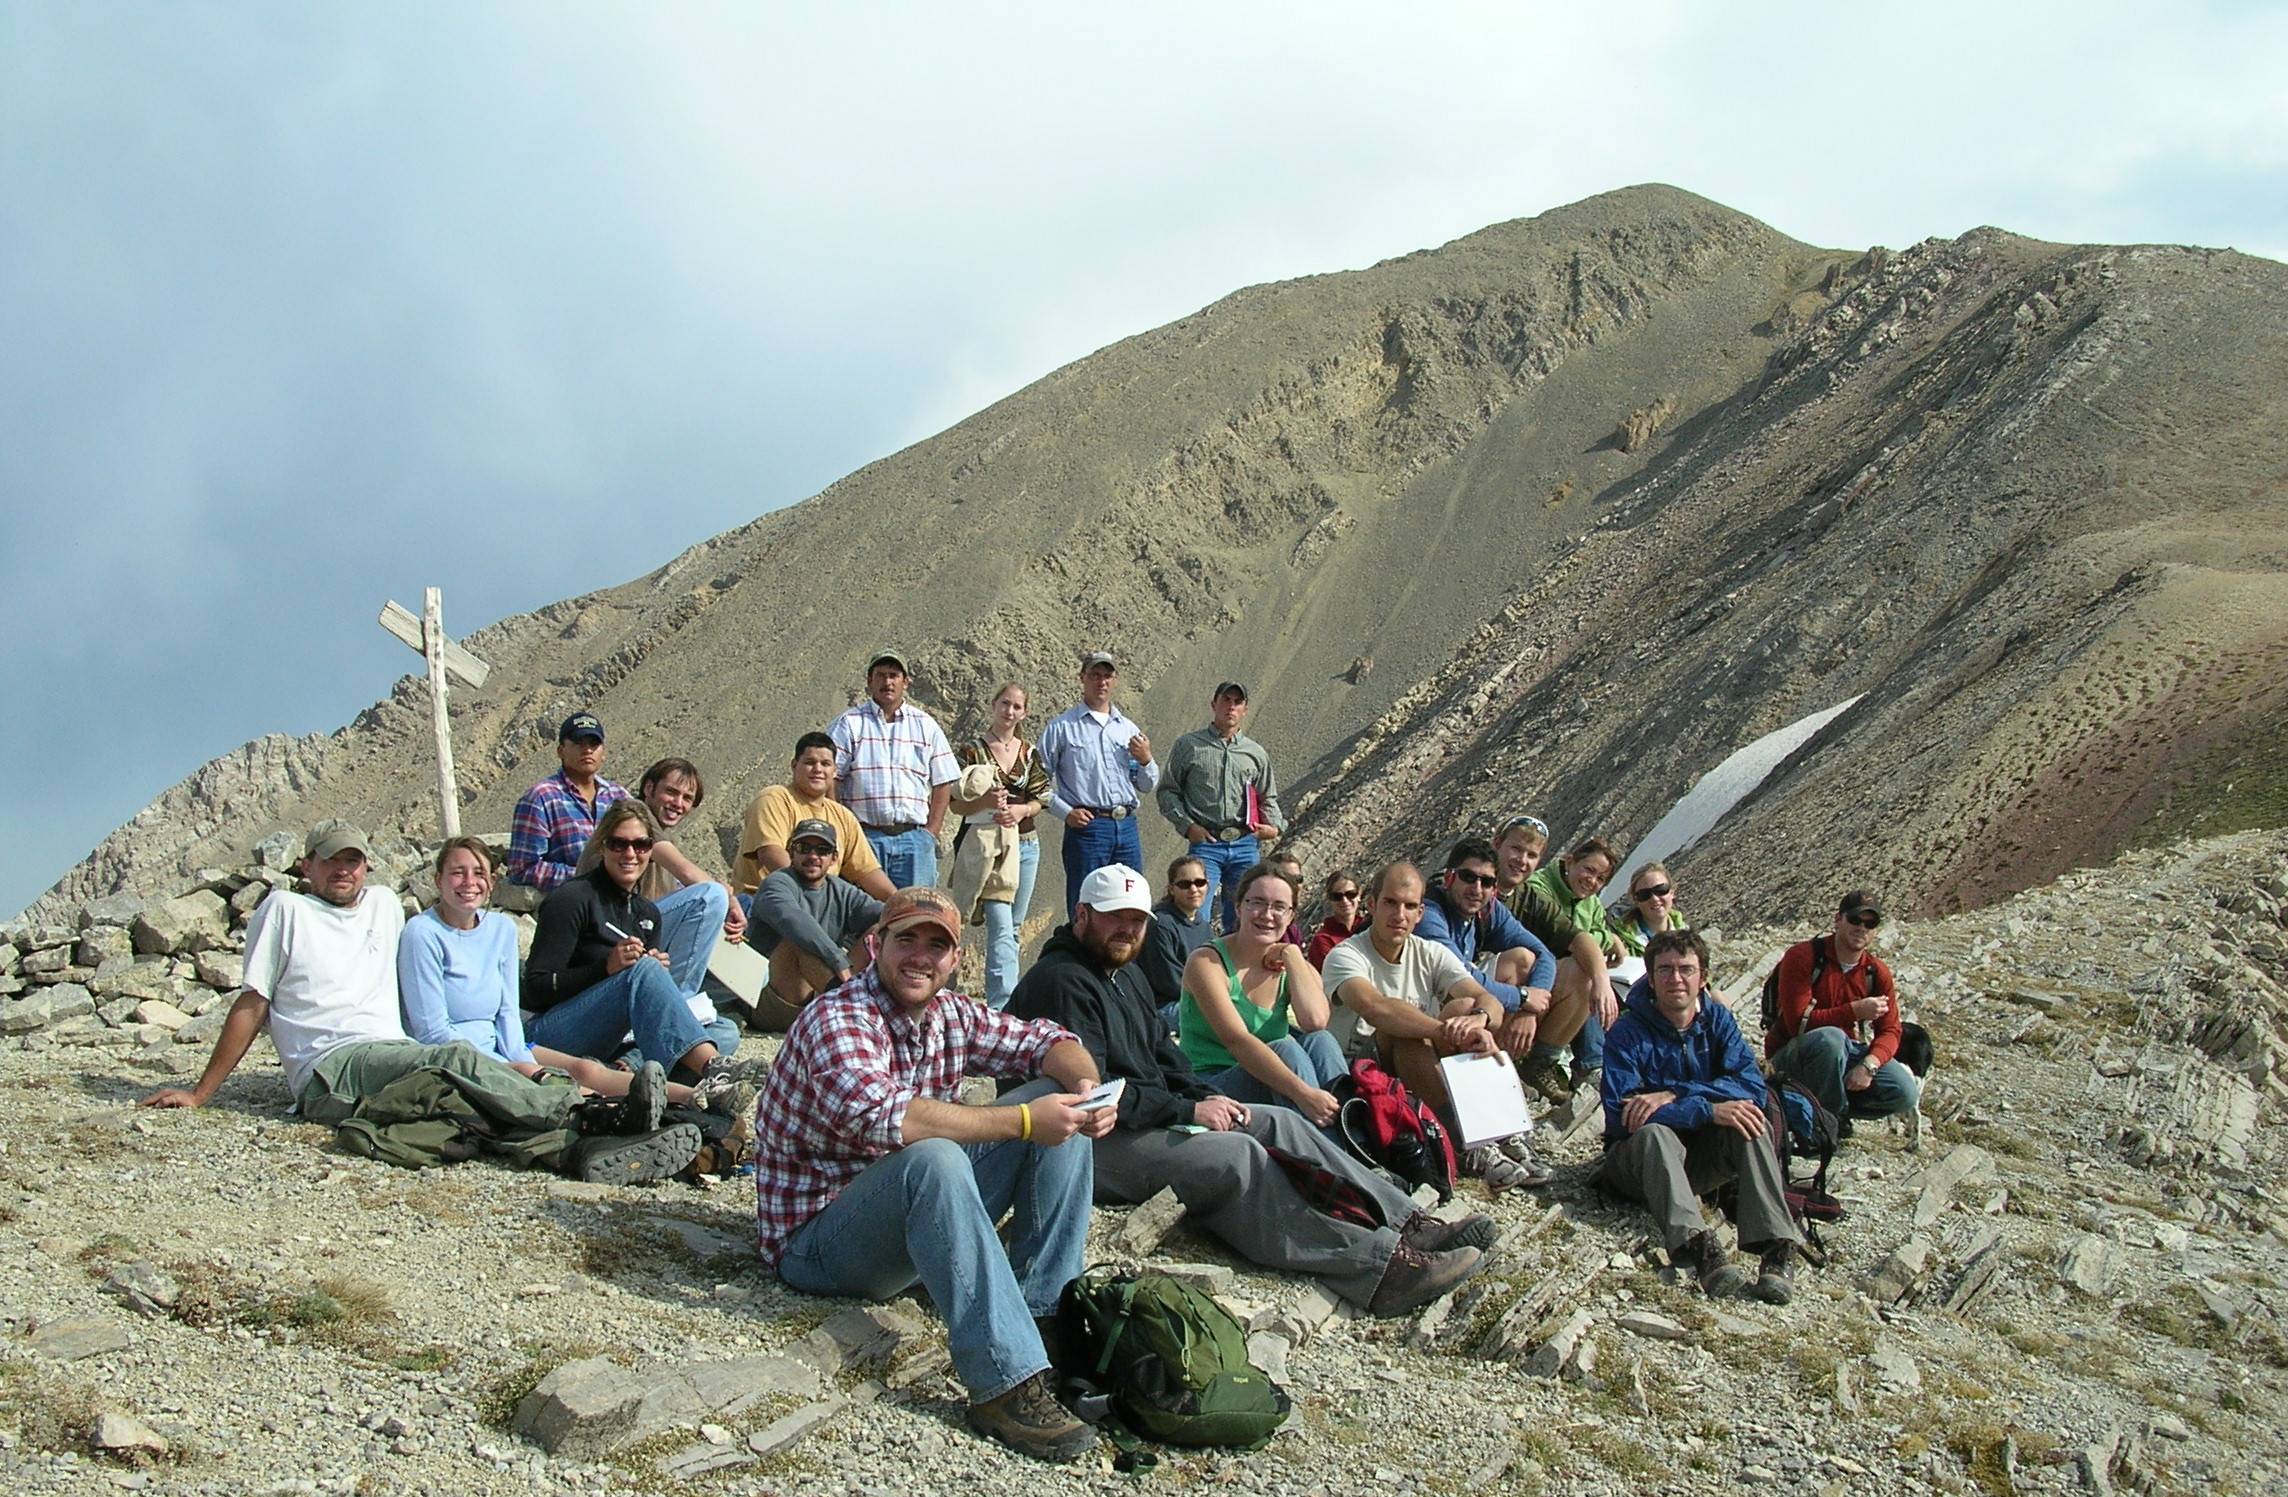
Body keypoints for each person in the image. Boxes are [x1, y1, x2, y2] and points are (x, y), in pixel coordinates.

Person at [1008, 865, 1491, 1317]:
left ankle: (1408, 1222)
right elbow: (1098, 1095)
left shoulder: (1123, 971)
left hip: (1140, 1113)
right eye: (1116, 917)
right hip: (1086, 1141)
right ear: (1082, 915)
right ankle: (1378, 1268)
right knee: (1237, 1157)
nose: (1128, 930)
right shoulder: (1064, 983)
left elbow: (1163, 1054)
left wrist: (1205, 1097)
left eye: (1137, 920)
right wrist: (1191, 1107)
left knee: (1278, 1120)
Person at [753, 887, 1114, 1464]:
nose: (919, 956)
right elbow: (892, 1118)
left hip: (898, 1215)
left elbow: (1049, 1040)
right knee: (938, 1154)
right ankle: (1002, 1383)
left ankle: (1043, 1319)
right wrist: (1023, 1121)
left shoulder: (952, 1014)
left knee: (1060, 1100)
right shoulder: (838, 1016)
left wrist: (1086, 1090)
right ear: (876, 945)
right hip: (817, 1241)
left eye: (936, 944)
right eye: (906, 939)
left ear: (956, 959)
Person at [143, 820, 698, 1184]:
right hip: (331, 1068)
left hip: (394, 1054)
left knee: (467, 1108)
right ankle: (588, 1108)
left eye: (355, 861)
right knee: (456, 1061)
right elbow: (253, 1001)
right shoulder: (286, 910)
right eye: (331, 861)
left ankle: (609, 1140)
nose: (344, 871)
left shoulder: (383, 905)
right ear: (306, 866)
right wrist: (201, 1093)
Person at [399, 837, 743, 1115]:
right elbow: (432, 1030)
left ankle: (702, 1097)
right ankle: (612, 1112)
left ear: (491, 882)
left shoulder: (499, 929)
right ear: (438, 880)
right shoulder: (423, 934)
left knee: (586, 1069)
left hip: (503, 1041)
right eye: (458, 873)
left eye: (478, 873)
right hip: (456, 1053)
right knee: (565, 1083)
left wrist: (518, 1056)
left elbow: (506, 1011)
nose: (469, 883)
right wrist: (510, 1067)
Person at [1598, 928, 1802, 1304]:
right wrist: (1706, 1108)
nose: (1676, 978)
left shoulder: (1718, 1023)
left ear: (1703, 977)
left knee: (1748, 1117)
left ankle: (1776, 1245)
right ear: (1651, 977)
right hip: (1639, 1166)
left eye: (1686, 969)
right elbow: (1624, 1114)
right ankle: (1698, 1247)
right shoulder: (1626, 1033)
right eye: (1665, 970)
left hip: (1698, 1163)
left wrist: (1677, 1095)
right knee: (1654, 1133)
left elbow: (1752, 1086)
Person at [1320, 863, 1550, 1190]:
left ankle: (1499, 1130)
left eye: (1410, 906)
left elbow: (1489, 1001)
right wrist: (1443, 1031)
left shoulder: (1429, 952)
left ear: (1420, 913)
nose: (1399, 914)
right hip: (1357, 1072)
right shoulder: (1346, 955)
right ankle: (1462, 1140)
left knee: (1465, 1008)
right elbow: (1376, 1008)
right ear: (1371, 905)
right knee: (1406, 1032)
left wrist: (1479, 1021)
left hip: (1413, 1067)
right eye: (1390, 903)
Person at [524, 801, 746, 1085]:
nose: (630, 854)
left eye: (640, 845)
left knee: (724, 1032)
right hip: (555, 1031)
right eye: (619, 844)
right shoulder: (572, 899)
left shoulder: (647, 913)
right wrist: (607, 968)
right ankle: (714, 1071)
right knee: (648, 979)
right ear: (602, 847)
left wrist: (657, 981)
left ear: (651, 851)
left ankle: (624, 1068)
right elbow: (535, 989)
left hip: (613, 1034)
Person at [1176, 863, 1349, 1118]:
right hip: (1213, 1083)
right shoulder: (1207, 963)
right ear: (1238, 907)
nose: (1267, 915)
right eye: (1257, 902)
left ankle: (1354, 1133)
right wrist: (1304, 1094)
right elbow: (1238, 1041)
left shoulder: (1291, 963)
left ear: (1291, 916)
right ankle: (1328, 1152)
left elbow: (1315, 1022)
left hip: (1274, 1078)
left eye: (1279, 907)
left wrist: (1291, 954)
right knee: (1285, 1049)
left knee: (1320, 1042)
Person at [1765, 891, 1919, 1125]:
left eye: (1870, 923)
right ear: (1838, 920)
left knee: (1904, 1091)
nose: (1862, 928)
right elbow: (1796, 1022)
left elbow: (1890, 1030)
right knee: (1831, 1038)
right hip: (1792, 1054)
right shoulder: (1803, 957)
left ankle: (1833, 1113)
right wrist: (1854, 1011)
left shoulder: (1875, 972)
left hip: (1844, 1053)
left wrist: (1870, 1065)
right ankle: (1825, 1123)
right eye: (1855, 920)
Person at [1414, 838, 1562, 1070]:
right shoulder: (1429, 913)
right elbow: (1461, 975)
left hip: (1466, 1001)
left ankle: (1498, 1064)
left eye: (1487, 881)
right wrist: (1523, 997)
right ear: (1449, 877)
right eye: (1469, 877)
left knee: (1523, 960)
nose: (1477, 888)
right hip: (1423, 1004)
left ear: (1494, 888)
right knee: (1465, 1005)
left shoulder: (1489, 909)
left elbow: (1543, 954)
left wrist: (1529, 1010)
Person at [947, 684, 1051, 1009]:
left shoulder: (1029, 753)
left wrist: (1022, 810)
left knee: (1013, 925)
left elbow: (1043, 797)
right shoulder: (971, 752)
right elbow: (954, 803)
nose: (1009, 711)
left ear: (1024, 713)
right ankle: (1001, 1005)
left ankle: (1004, 1002)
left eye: (1017, 706)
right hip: (985, 845)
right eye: (1004, 703)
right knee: (1000, 920)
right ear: (993, 705)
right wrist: (983, 801)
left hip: (1026, 844)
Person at [1155, 682, 1287, 931]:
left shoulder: (1255, 753)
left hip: (1246, 843)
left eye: (1237, 702)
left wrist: (1275, 828)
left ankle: (1236, 966)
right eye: (1226, 700)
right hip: (1206, 844)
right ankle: (1196, 965)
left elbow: (1268, 797)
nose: (1231, 707)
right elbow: (1167, 792)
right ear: (1213, 704)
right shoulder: (1189, 746)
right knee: (1195, 913)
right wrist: (1188, 826)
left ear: (1245, 709)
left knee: (1246, 914)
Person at [1036, 651, 1158, 917]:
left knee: (1132, 898)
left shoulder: (1127, 729)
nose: (1101, 681)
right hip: (1088, 828)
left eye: (1107, 675)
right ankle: (1079, 957)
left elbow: (1146, 785)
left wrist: (1147, 760)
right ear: (1082, 678)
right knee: (1085, 902)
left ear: (1115, 681)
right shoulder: (1061, 728)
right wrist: (1065, 812)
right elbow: (1035, 782)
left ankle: (1126, 959)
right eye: (1094, 675)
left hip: (1126, 826)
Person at [1505, 833, 1625, 1102]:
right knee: (1583, 970)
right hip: (1524, 981)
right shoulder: (1539, 888)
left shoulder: (1591, 903)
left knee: (1590, 973)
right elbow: (1570, 937)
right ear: (1570, 862)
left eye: (1600, 878)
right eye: (1588, 870)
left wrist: (1604, 941)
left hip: (1550, 987)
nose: (1591, 881)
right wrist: (1608, 940)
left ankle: (1541, 1063)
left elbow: (1595, 933)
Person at [829, 650, 960, 889]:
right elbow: (832, 779)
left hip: (914, 841)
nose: (887, 682)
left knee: (914, 917)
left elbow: (943, 782)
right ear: (869, 681)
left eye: (893, 675)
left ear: (905, 682)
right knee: (863, 915)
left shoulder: (925, 725)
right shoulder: (849, 724)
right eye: (880, 675)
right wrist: (843, 830)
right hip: (864, 839)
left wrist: (931, 833)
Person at [746, 819, 885, 1032]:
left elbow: (885, 914)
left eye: (822, 850)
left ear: (834, 858)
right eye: (804, 848)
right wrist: (838, 960)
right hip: (769, 999)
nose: (813, 856)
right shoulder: (776, 884)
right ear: (790, 852)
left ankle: (869, 1005)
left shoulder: (841, 891)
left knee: (881, 931)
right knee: (798, 941)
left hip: (823, 993)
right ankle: (851, 1011)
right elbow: (793, 921)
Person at [734, 732, 896, 903]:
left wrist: (900, 901)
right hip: (767, 900)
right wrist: (816, 896)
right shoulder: (774, 799)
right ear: (794, 765)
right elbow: (771, 853)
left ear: (834, 771)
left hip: (819, 903)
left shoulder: (843, 816)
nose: (818, 769)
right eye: (810, 763)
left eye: (825, 764)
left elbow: (867, 872)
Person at [633, 757, 747, 999]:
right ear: (649, 788)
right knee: (713, 895)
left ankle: (677, 1001)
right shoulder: (634, 814)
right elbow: (686, 872)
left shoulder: (665, 835)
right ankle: (678, 1004)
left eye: (687, 798)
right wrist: (727, 897)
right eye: (671, 792)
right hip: (625, 929)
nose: (678, 803)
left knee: (751, 979)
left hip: (651, 929)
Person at [506, 712, 628, 890]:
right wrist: (587, 876)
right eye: (578, 743)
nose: (587, 750)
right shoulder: (541, 798)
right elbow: (522, 868)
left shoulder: (618, 796)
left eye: (593, 744)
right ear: (560, 751)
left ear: (604, 753)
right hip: (572, 903)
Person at [1141, 854, 1215, 1026]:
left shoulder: (1204, 927)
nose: (1193, 889)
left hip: (1196, 999)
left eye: (1199, 882)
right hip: (1164, 1008)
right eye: (1184, 884)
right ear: (1171, 889)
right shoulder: (1161, 925)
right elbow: (1171, 983)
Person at [1304, 870, 1365, 970]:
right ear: (1329, 899)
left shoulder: (1371, 928)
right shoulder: (1323, 940)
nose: (1345, 900)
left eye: (1351, 894)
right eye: (1337, 896)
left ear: (1359, 894)